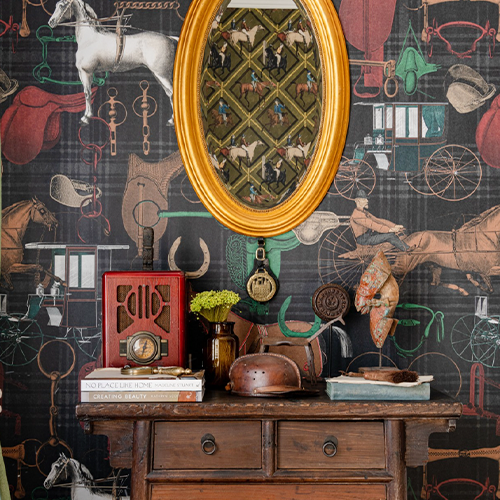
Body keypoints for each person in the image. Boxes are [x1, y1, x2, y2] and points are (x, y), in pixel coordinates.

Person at [350, 190, 417, 252]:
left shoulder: (364, 212)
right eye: (364, 199)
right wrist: (389, 230)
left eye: (366, 199)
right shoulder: (356, 215)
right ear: (357, 201)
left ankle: (398, 247)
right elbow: (372, 225)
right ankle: (407, 249)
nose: (367, 201)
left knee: (392, 234)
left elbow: (377, 220)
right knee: (390, 236)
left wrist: (394, 226)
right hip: (364, 240)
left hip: (370, 235)